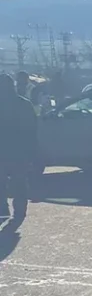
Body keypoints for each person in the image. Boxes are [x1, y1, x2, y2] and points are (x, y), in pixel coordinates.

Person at [0, 73, 38, 219]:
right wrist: (32, 152)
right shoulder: (24, 104)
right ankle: (20, 210)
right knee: (20, 181)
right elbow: (32, 130)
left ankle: (2, 209)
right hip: (19, 151)